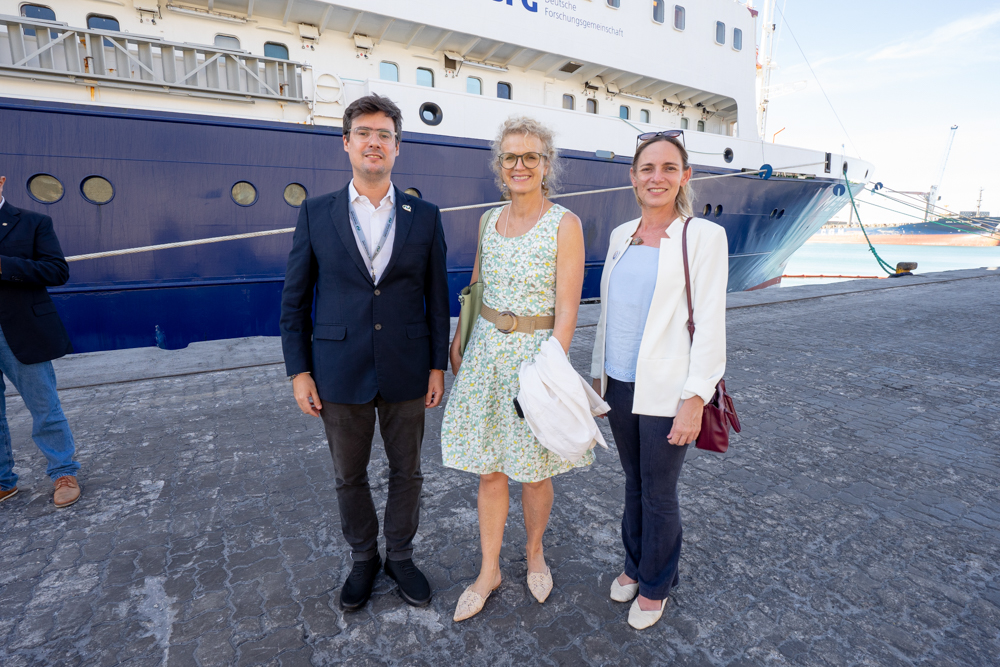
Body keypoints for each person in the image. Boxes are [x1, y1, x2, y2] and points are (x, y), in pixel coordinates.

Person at [279, 94, 450, 612]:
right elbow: (294, 299)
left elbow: (437, 297)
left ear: (398, 147)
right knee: (347, 476)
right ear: (347, 144)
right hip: (337, 369)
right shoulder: (315, 213)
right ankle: (363, 559)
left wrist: (437, 364)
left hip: (406, 367)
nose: (374, 142)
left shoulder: (424, 215)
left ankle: (399, 556)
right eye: (364, 133)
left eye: (384, 135)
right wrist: (299, 372)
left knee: (408, 472)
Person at [442, 116, 588, 622]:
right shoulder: (489, 220)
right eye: (510, 157)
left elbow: (568, 308)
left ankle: (534, 554)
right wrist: (459, 343)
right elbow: (477, 287)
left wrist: (551, 371)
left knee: (535, 472)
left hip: (534, 361)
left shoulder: (564, 224)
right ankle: (488, 570)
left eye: (530, 156)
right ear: (500, 167)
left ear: (547, 165)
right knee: (490, 469)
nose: (520, 165)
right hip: (486, 356)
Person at [590, 131, 728, 630]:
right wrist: (598, 377)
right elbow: (611, 314)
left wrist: (696, 398)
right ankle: (635, 564)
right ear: (633, 176)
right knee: (633, 482)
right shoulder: (621, 234)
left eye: (669, 168)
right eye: (648, 168)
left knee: (659, 490)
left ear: (685, 176)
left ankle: (656, 584)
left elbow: (711, 322)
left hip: (669, 388)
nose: (657, 177)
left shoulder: (702, 237)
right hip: (620, 380)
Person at [0, 175, 82, 509]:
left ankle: (64, 472)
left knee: (44, 407)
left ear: (2, 180)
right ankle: (4, 482)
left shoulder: (34, 222)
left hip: (20, 330)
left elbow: (56, 271)